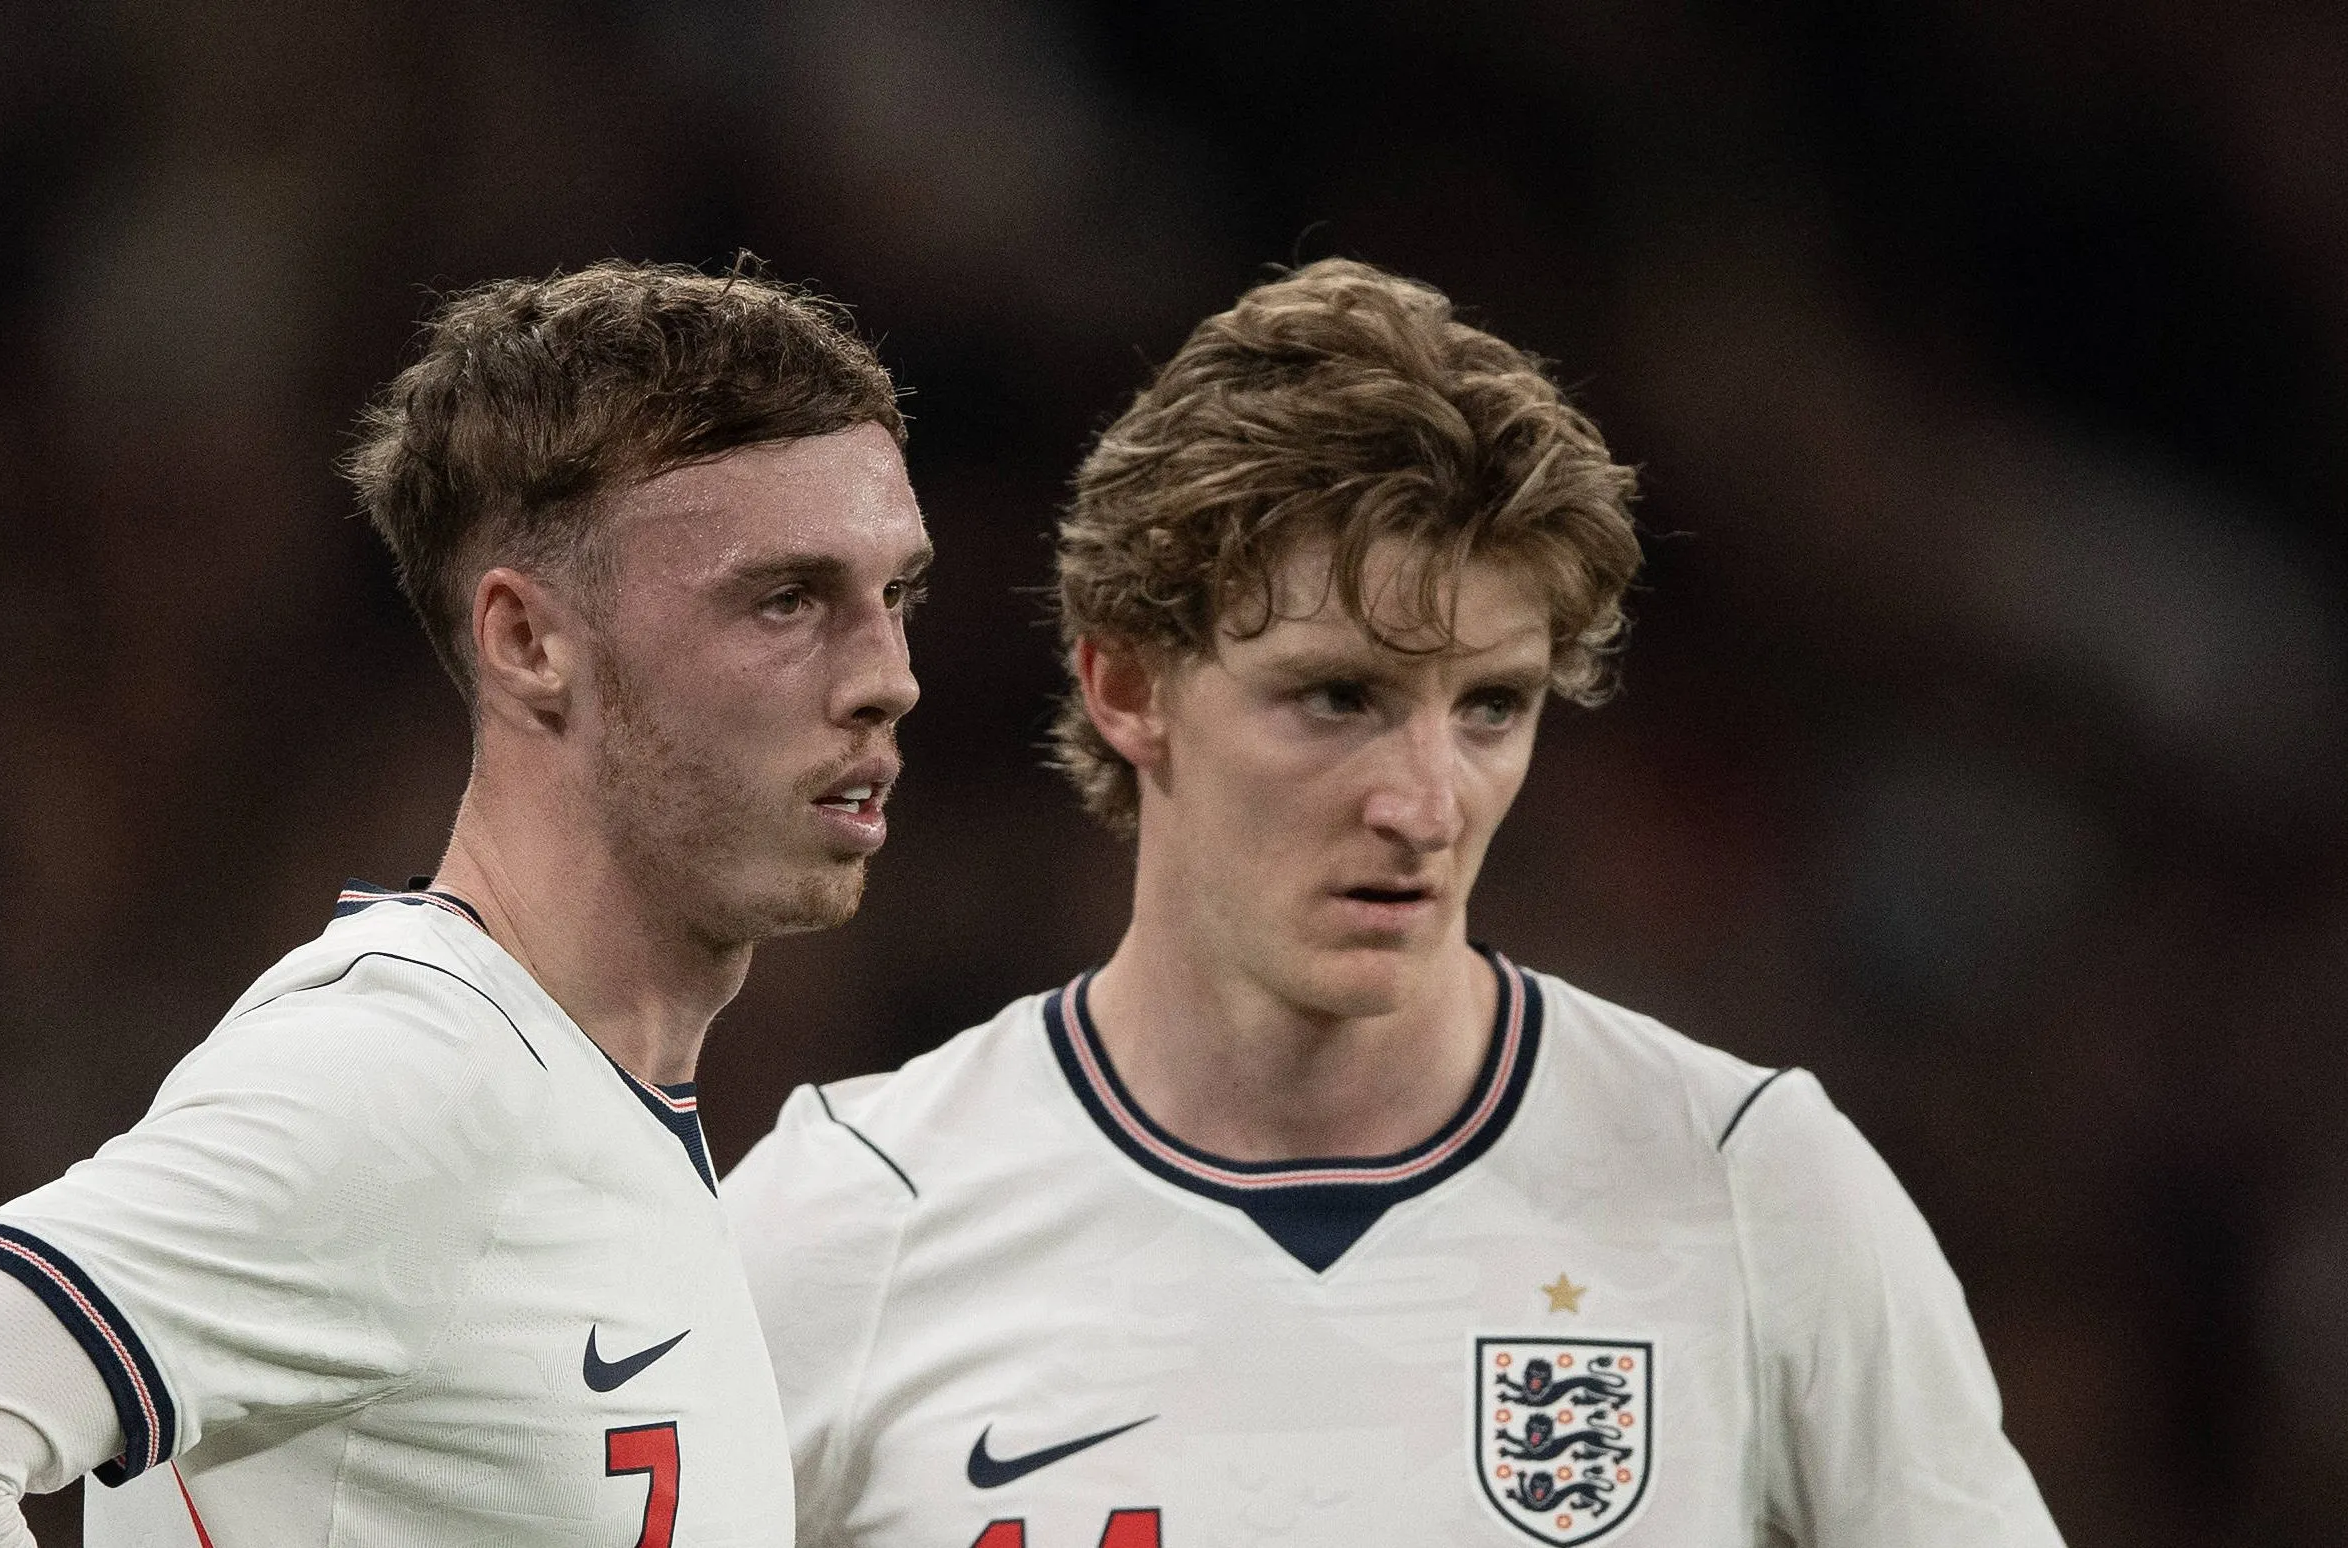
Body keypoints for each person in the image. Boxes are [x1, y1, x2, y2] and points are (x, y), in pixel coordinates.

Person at [722, 259, 2062, 1548]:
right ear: (1126, 685)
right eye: (1337, 697)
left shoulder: (1743, 1184)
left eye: (1491, 707)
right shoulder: (853, 1219)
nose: (1424, 804)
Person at [0, 262, 932, 1548]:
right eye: (787, 599)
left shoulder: (574, 1106)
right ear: (528, 643)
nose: (889, 678)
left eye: (898, 595)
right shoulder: (409, 1079)